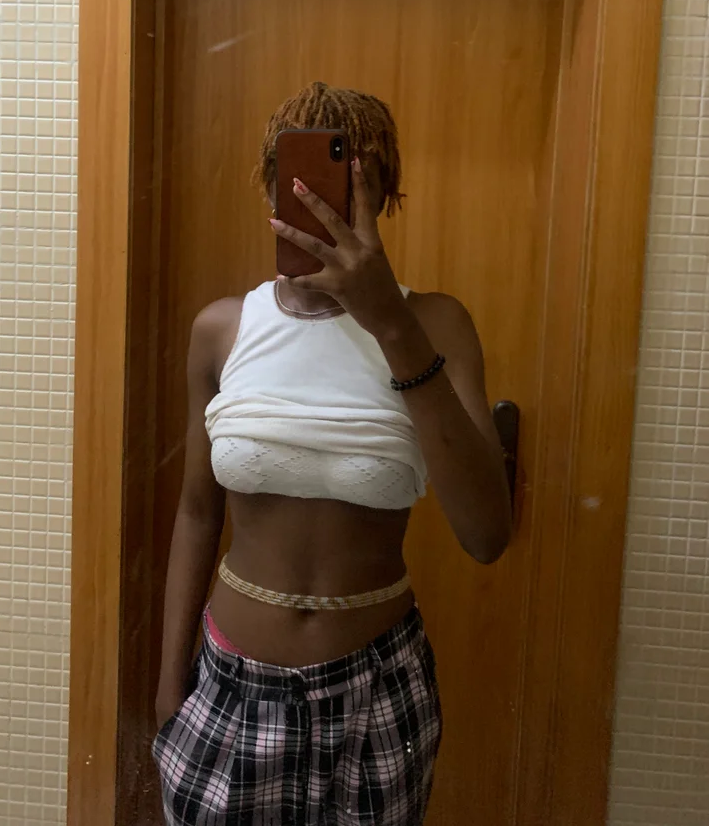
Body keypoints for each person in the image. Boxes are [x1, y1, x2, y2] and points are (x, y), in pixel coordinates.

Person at [152, 82, 512, 825]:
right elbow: (195, 513)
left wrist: (391, 324)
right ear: (270, 186)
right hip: (228, 681)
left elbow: (486, 534)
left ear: (384, 193)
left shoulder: (437, 325)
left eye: (352, 184)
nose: (325, 204)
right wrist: (168, 685)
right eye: (302, 180)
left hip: (377, 690)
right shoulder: (222, 329)